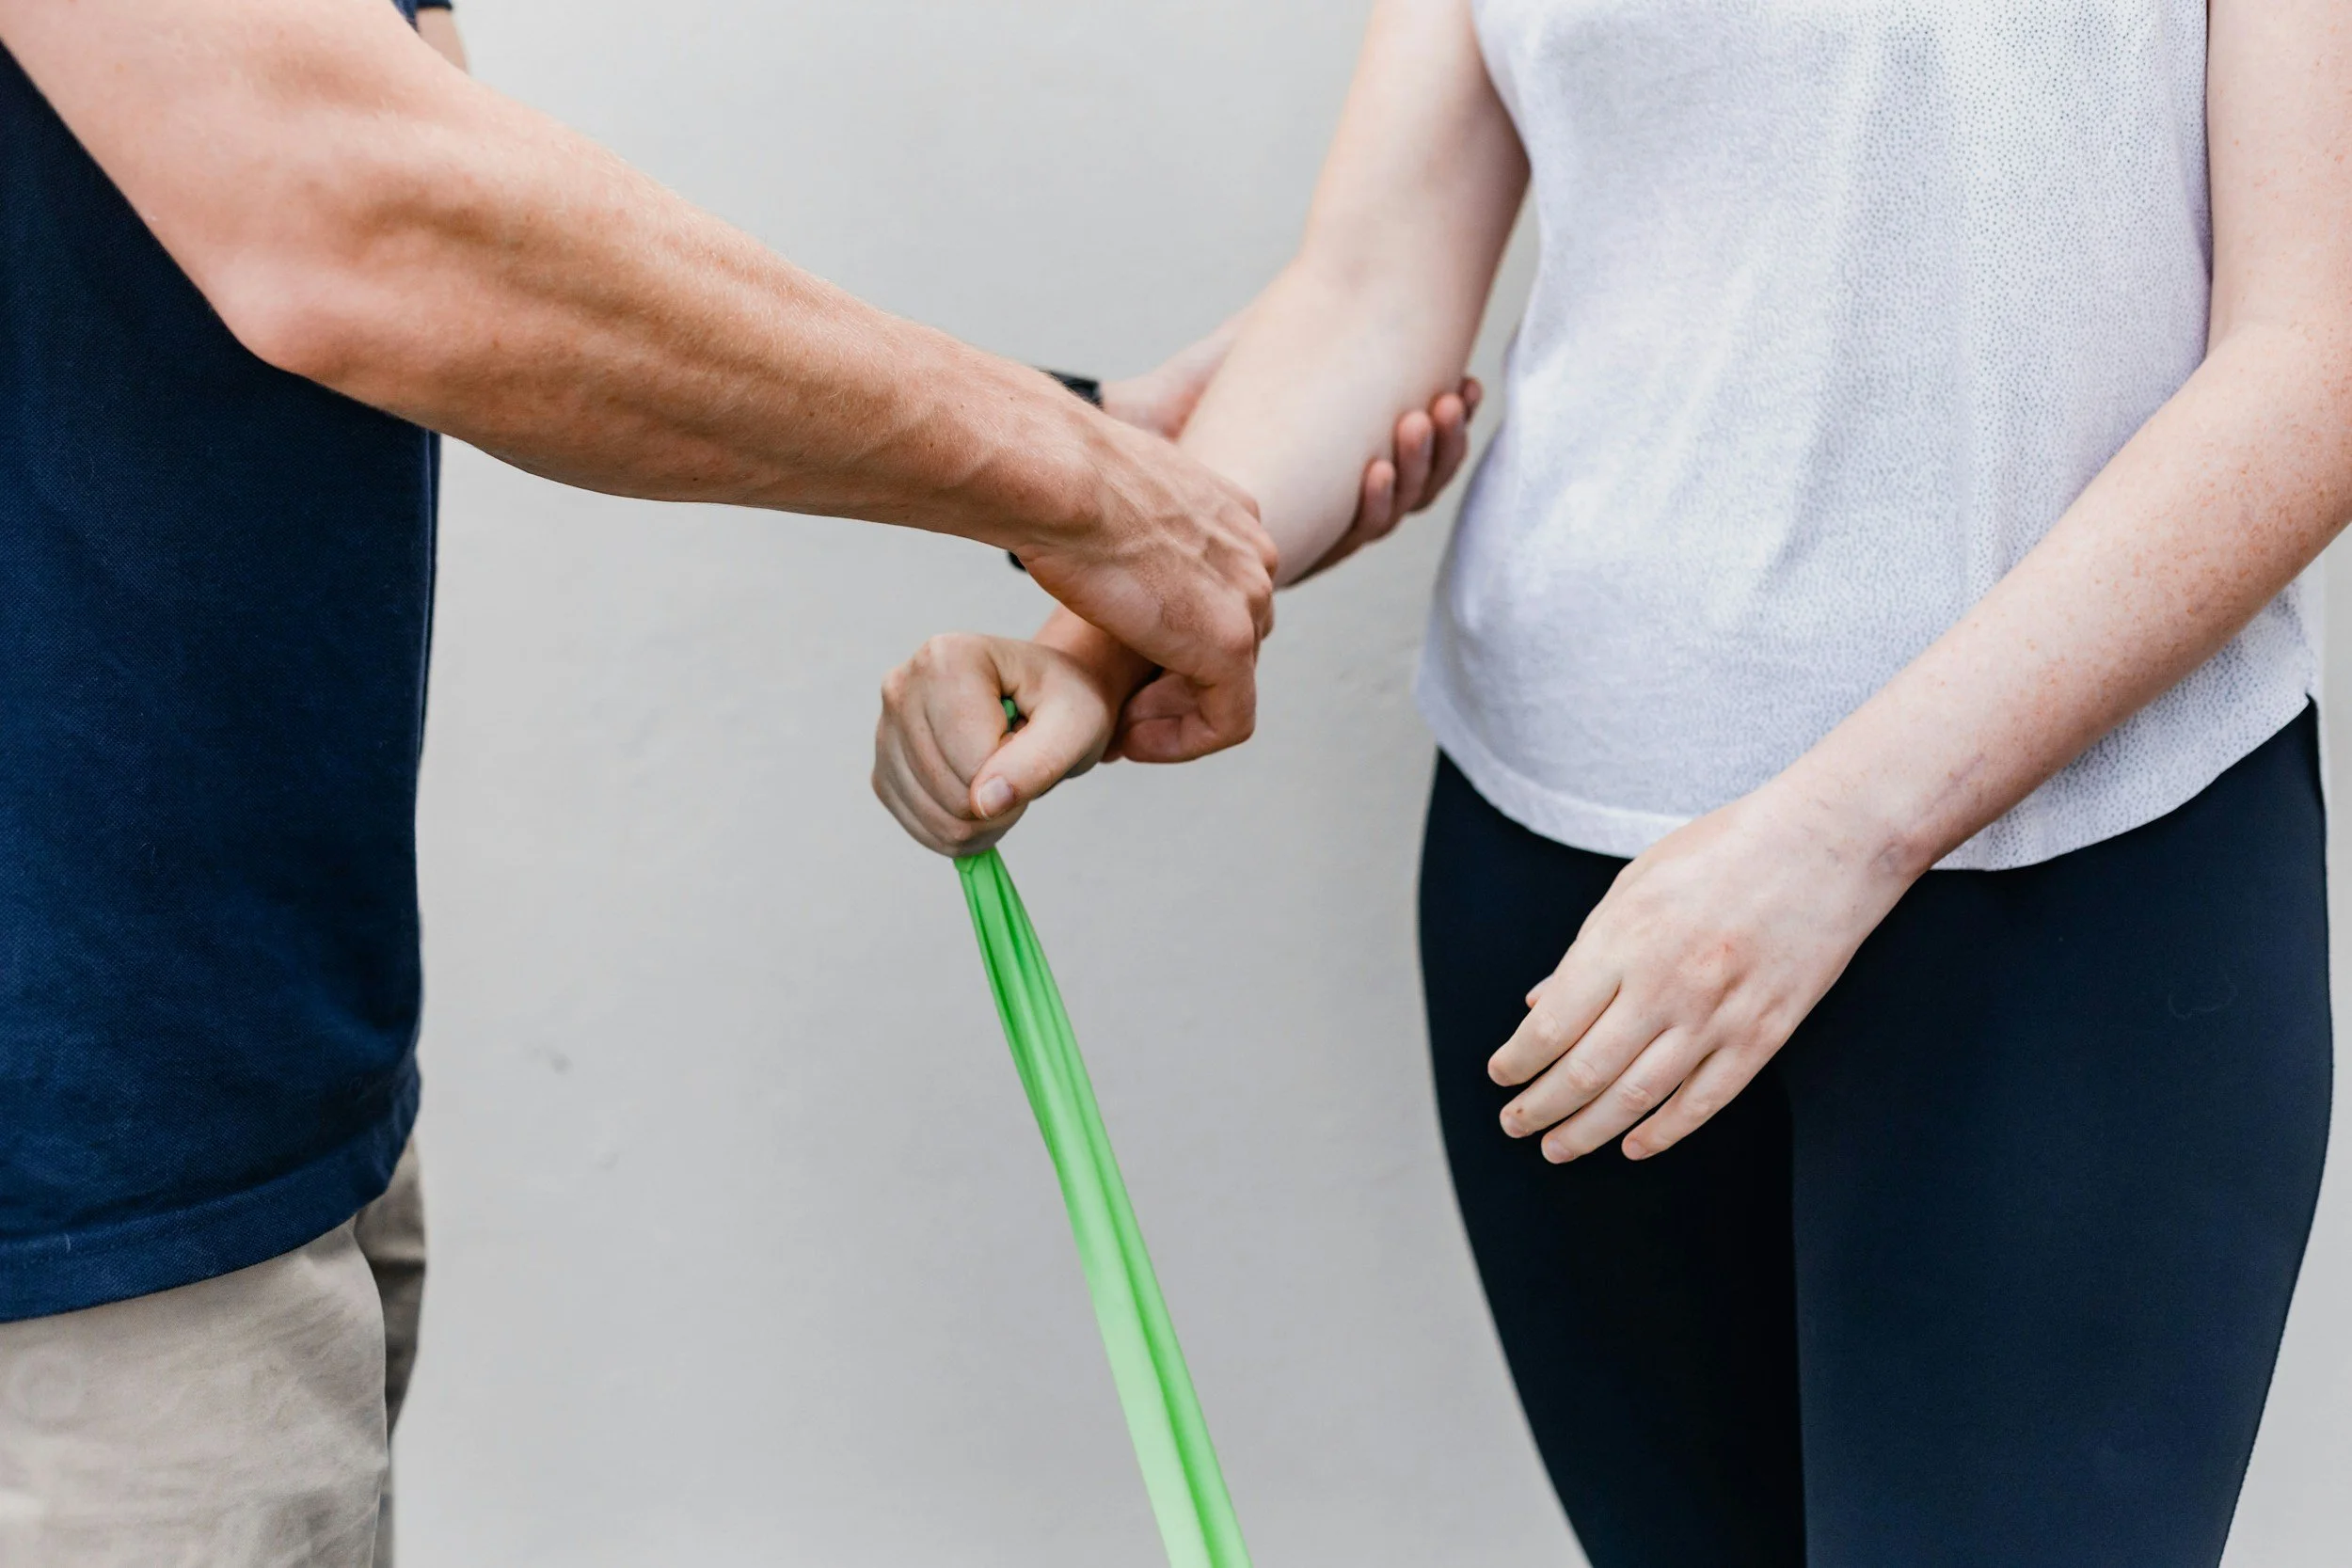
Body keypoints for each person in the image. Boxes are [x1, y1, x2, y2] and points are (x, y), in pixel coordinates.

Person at [871, 1, 2352, 1562]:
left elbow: (2313, 359)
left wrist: (1838, 831)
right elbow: (1372, 287)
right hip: (1572, 897)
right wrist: (1097, 647)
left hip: (2079, 881)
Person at [0, 0, 1479, 1560]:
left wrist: (1089, 442)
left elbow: (452, 193)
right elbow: (354, 210)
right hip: (73, 1225)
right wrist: (1083, 485)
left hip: (242, 1106)